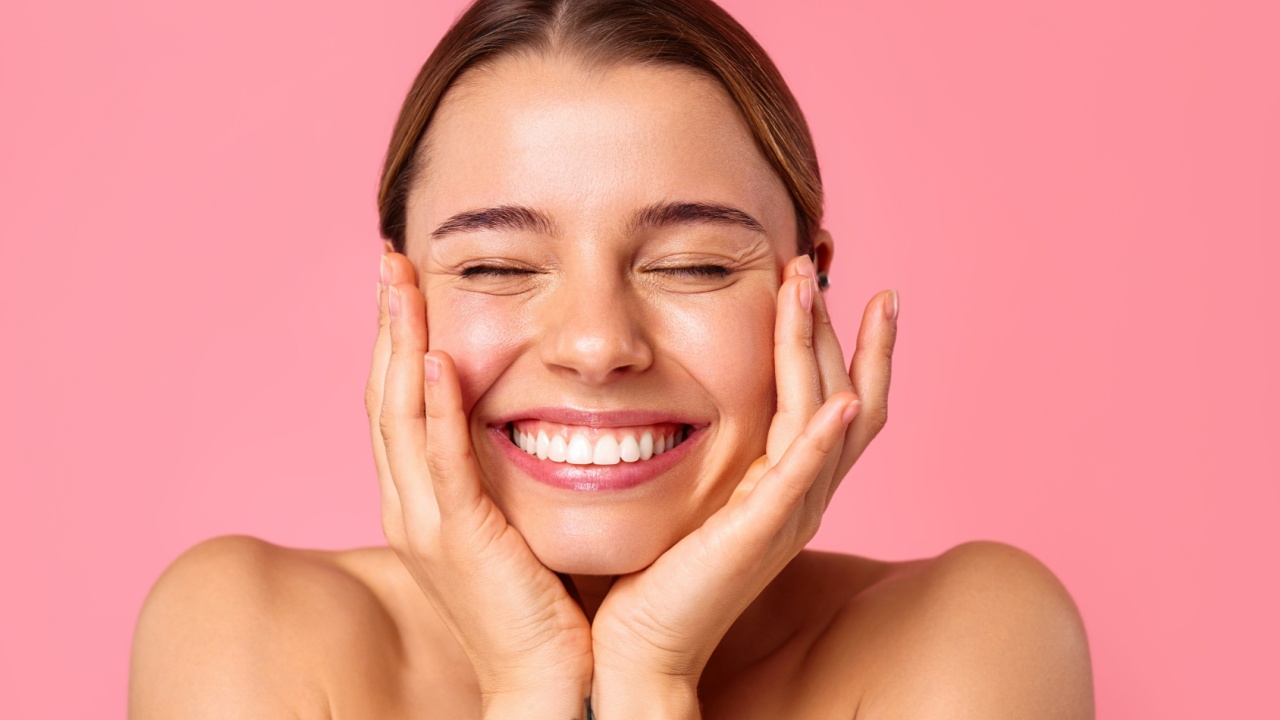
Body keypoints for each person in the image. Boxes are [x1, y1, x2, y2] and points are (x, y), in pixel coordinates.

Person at [128, 0, 1094, 717]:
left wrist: (651, 675)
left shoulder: (971, 640)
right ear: (398, 299)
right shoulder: (247, 637)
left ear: (810, 288)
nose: (597, 344)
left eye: (694, 265)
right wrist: (528, 680)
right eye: (501, 265)